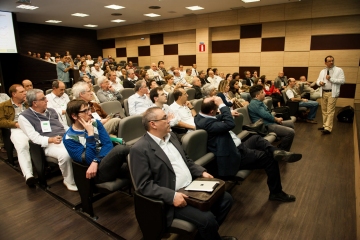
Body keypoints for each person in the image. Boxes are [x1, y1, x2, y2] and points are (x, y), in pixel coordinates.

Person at [130, 107, 235, 240]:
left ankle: (205, 234)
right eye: (165, 118)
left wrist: (201, 172)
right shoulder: (139, 149)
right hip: (171, 198)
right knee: (207, 219)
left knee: (226, 199)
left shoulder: (172, 136)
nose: (169, 120)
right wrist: (172, 196)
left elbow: (187, 160)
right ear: (153, 124)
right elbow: (143, 185)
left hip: (191, 188)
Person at [195, 96, 302, 202]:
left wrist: (225, 114)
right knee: (269, 159)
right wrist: (223, 106)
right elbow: (230, 124)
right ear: (212, 111)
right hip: (234, 156)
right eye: (217, 109)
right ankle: (276, 193)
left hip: (235, 147)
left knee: (256, 138)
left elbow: (213, 118)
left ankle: (277, 151)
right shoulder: (207, 123)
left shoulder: (200, 118)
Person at [18, 89, 77, 191]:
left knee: (88, 143)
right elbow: (34, 137)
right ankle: (69, 181)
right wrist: (51, 140)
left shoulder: (52, 111)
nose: (47, 100)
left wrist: (75, 132)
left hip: (65, 137)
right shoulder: (24, 117)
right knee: (65, 154)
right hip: (48, 144)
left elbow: (63, 126)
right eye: (43, 99)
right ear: (34, 103)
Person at [63, 99, 130, 184]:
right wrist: (90, 134)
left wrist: (96, 160)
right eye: (85, 111)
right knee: (121, 149)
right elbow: (88, 160)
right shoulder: (69, 138)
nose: (90, 113)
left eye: (89, 109)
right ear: (74, 116)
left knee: (138, 169)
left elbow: (108, 144)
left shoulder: (95, 123)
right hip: (96, 173)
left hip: (107, 162)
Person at [0, 84, 33, 186]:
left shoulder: (28, 102)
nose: (25, 93)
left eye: (24, 91)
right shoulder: (4, 105)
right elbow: (1, 121)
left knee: (41, 142)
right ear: (14, 94)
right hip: (16, 128)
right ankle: (28, 175)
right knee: (22, 146)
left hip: (32, 127)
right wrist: (15, 124)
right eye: (22, 92)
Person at [248, 85, 295, 151]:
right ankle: (282, 152)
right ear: (257, 96)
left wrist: (275, 119)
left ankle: (281, 145)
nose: (264, 93)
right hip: (265, 126)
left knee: (290, 124)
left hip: (270, 122)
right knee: (290, 132)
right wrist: (276, 119)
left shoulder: (259, 102)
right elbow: (265, 115)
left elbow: (267, 114)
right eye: (262, 92)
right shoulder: (254, 103)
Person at [316, 55, 345, 134]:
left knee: (330, 111)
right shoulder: (322, 71)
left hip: (332, 92)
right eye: (329, 61)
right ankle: (325, 125)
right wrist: (320, 83)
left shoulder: (339, 70)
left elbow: (342, 81)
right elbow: (317, 80)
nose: (331, 62)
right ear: (325, 62)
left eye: (332, 61)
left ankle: (328, 128)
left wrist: (331, 79)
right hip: (323, 92)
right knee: (324, 110)